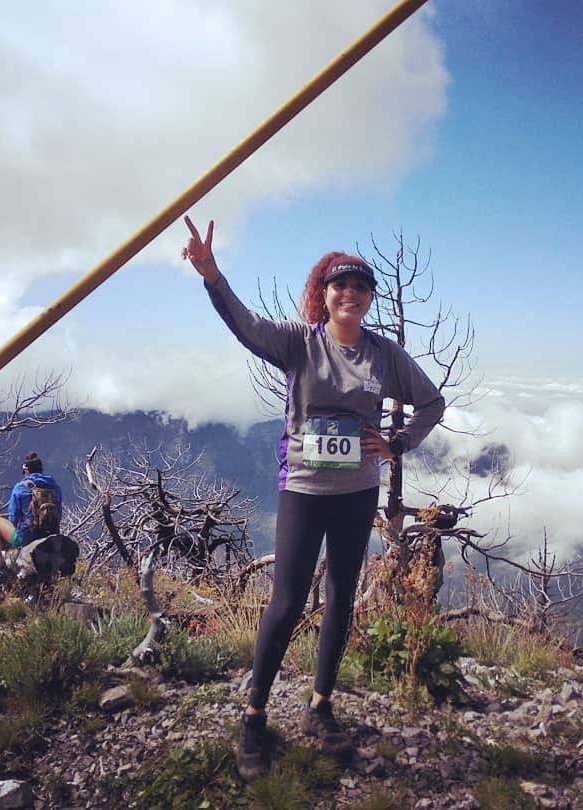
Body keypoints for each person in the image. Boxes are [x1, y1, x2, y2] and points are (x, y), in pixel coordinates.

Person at [182, 216, 445, 781]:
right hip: (303, 489)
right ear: (324, 296)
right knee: (286, 601)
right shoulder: (301, 344)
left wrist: (395, 443)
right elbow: (247, 326)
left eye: (360, 287)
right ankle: (253, 718)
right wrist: (211, 275)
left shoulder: (384, 355)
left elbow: (431, 403)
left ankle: (320, 707)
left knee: (342, 595)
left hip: (356, 492)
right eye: (340, 286)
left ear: (369, 299)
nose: (350, 294)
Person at [0, 451, 63, 571]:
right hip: (50, 537)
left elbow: (13, 518)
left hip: (26, 538)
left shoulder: (21, 487)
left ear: (27, 471)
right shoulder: (55, 487)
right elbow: (59, 514)